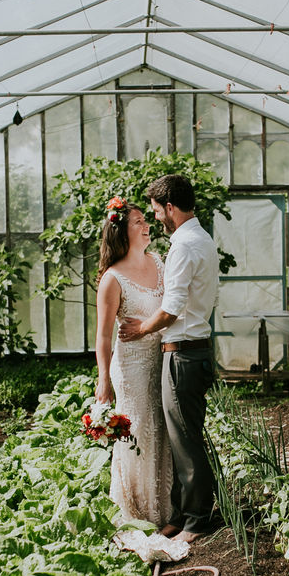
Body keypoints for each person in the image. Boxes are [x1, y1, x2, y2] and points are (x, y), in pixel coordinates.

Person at [119, 174, 219, 544]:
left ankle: (195, 521)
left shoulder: (183, 247)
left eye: (158, 211)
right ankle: (181, 513)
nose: (156, 218)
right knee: (182, 439)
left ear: (171, 208)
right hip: (196, 351)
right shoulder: (202, 239)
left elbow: (172, 310)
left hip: (183, 355)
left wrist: (141, 329)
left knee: (187, 442)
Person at [94, 196, 173, 528]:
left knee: (164, 430)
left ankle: (169, 508)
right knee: (139, 431)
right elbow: (102, 336)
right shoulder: (112, 278)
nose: (146, 225)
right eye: (138, 222)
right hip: (131, 367)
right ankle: (138, 512)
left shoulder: (158, 261)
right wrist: (103, 382)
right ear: (121, 232)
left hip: (163, 358)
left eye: (145, 220)